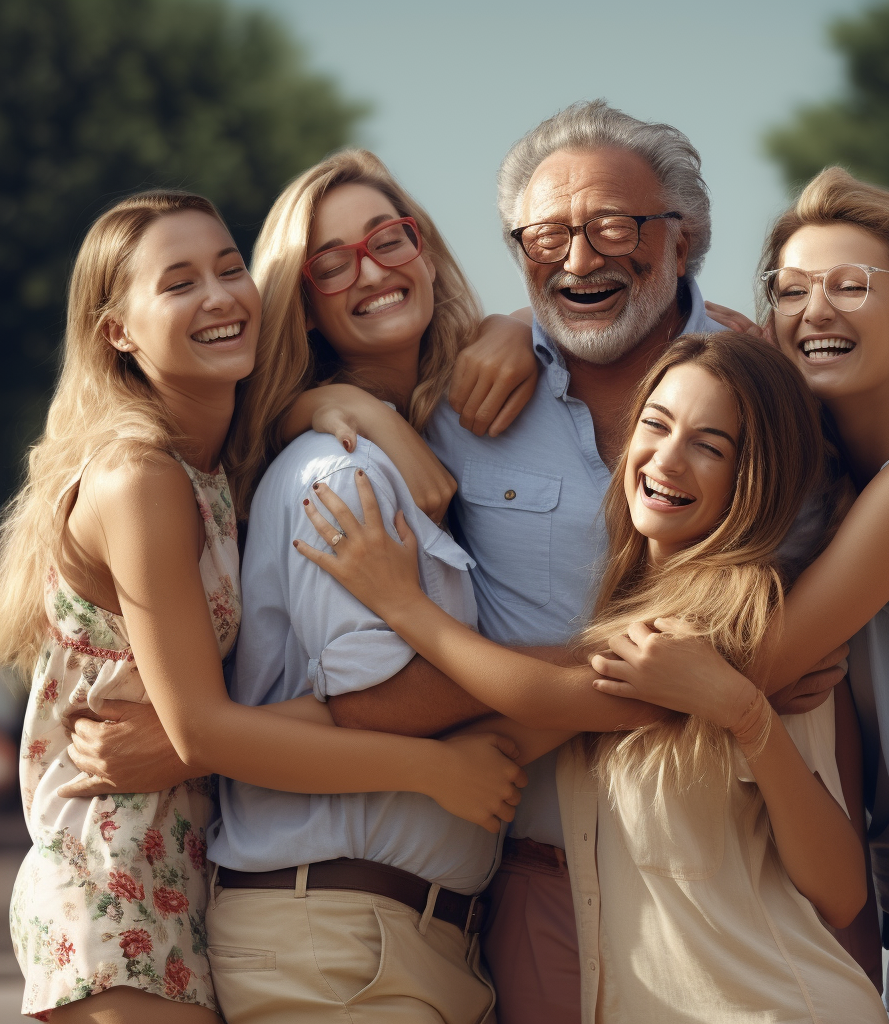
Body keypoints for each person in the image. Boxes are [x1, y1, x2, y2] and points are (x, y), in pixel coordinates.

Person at [322, 99, 852, 1022]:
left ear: (682, 239)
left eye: (613, 227)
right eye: (547, 235)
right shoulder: (460, 396)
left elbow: (788, 653)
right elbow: (290, 396)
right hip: (533, 881)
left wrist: (748, 669)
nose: (578, 260)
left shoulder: (783, 397)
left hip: (740, 880)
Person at [0, 190, 526, 1023]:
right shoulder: (139, 479)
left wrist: (345, 407)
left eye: (229, 267)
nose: (218, 296)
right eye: (178, 283)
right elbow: (201, 731)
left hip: (185, 881)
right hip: (116, 893)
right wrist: (432, 768)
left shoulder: (212, 470)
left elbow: (201, 734)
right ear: (118, 331)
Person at [294, 332, 888, 1023]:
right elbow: (532, 709)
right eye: (656, 425)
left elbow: (842, 893)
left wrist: (404, 607)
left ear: (751, 477)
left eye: (710, 445)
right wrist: (218, 730)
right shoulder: (632, 616)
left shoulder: (739, 622)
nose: (666, 458)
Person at [594, 168, 889, 1024]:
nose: (814, 310)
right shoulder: (837, 486)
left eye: (849, 286)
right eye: (790, 291)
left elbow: (748, 662)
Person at [192, 148, 543, 1024]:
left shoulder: (440, 439)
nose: (372, 270)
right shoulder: (339, 477)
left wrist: (522, 327)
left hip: (412, 943)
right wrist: (608, 677)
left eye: (388, 239)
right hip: (338, 946)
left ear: (423, 249)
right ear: (303, 306)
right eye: (331, 262)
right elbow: (377, 701)